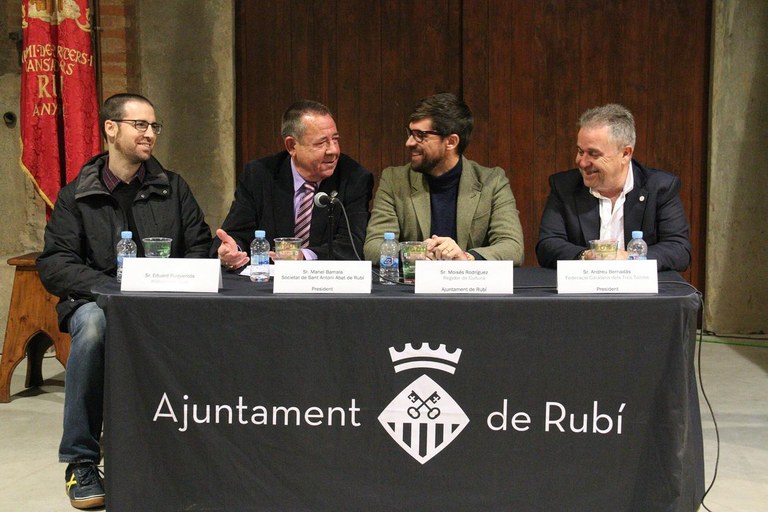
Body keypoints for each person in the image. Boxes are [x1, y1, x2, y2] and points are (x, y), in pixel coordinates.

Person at [37, 93, 212, 509]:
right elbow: (56, 264)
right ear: (111, 129)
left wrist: (168, 283)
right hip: (99, 301)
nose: (150, 134)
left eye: (154, 126)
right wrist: (111, 291)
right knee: (93, 326)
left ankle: (194, 452)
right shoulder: (76, 195)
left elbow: (200, 247)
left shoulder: (173, 187)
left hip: (165, 300)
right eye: (140, 125)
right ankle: (81, 461)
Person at [363, 93, 524, 263]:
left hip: (469, 280)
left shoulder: (492, 182)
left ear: (451, 142)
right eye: (410, 133)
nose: (409, 143)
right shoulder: (394, 180)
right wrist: (414, 253)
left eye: (420, 135)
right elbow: (373, 246)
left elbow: (513, 247)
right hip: (414, 280)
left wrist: (465, 257)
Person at [214, 100, 373, 266]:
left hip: (326, 278)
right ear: (291, 146)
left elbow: (351, 245)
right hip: (267, 279)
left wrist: (303, 256)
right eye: (321, 143)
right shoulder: (259, 175)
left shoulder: (354, 178)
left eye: (335, 139)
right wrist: (231, 251)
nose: (333, 150)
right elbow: (236, 233)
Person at [536, 104, 691, 271]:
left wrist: (629, 259)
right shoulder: (564, 186)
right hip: (582, 286)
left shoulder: (660, 187)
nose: (582, 162)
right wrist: (586, 256)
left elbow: (679, 249)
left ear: (625, 154)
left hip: (640, 286)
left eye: (593, 154)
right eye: (580, 151)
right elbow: (548, 245)